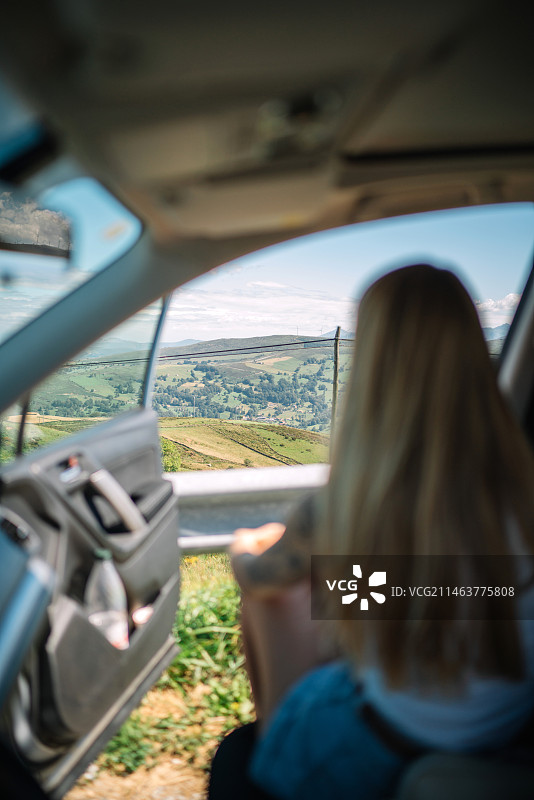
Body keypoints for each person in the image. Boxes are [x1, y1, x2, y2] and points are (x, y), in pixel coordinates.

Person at [209, 264, 534, 800]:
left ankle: (279, 756)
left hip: (381, 743)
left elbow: (263, 578)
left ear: (375, 365)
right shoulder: (520, 487)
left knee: (270, 593)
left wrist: (246, 546)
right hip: (498, 731)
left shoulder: (343, 510)